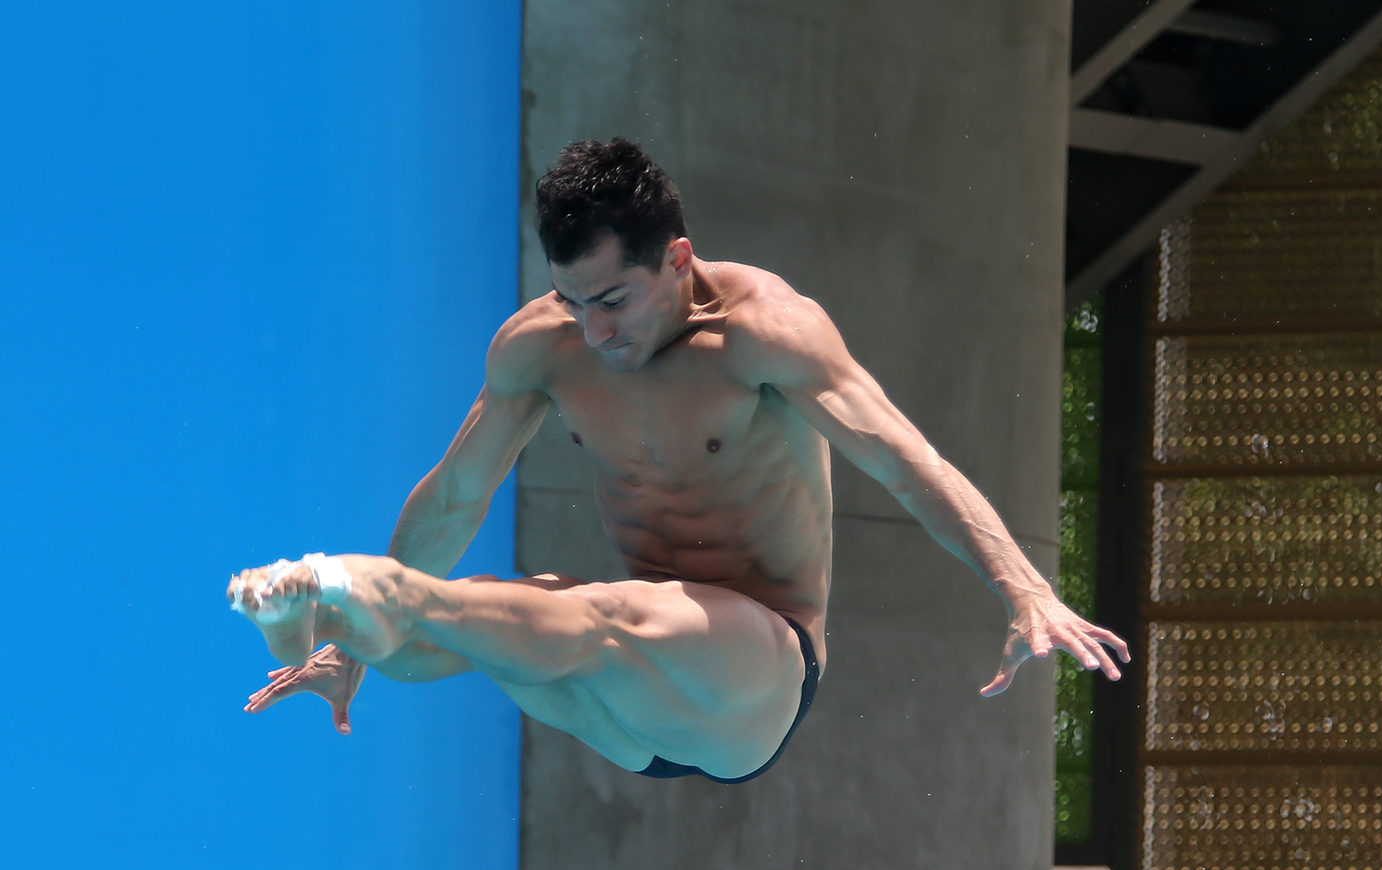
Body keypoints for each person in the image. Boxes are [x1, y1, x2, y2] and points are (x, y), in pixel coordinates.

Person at [229, 137, 1128, 784]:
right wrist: (349, 654)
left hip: (756, 676)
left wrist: (1024, 588)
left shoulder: (765, 334)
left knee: (589, 614)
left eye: (613, 298)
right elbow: (458, 494)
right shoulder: (540, 349)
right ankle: (345, 622)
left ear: (679, 260)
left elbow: (904, 462)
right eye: (571, 299)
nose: (595, 329)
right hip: (635, 715)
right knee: (481, 636)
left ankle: (364, 590)